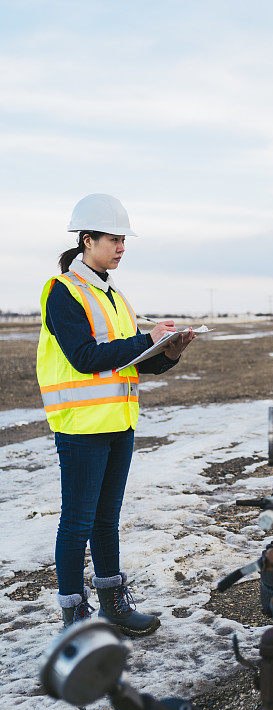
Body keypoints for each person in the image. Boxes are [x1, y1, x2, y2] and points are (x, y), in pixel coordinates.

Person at [36, 193, 195, 634]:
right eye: (113, 239)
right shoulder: (63, 293)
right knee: (77, 522)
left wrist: (168, 351)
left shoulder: (115, 296)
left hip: (118, 424)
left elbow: (129, 360)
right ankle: (74, 618)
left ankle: (113, 606)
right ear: (87, 241)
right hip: (82, 427)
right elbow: (86, 357)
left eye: (124, 240)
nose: (121, 247)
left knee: (106, 519)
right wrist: (144, 341)